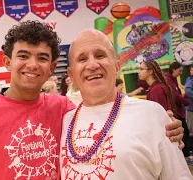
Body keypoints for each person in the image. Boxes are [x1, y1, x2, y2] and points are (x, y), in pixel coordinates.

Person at [0, 21, 184, 180]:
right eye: (23, 56)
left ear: (51, 68)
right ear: (7, 62)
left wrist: (168, 130)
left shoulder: (64, 109)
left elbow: (108, 118)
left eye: (41, 58)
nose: (32, 64)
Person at [60, 29, 192, 179]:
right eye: (82, 59)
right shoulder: (65, 120)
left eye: (100, 55)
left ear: (116, 68)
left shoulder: (151, 114)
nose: (92, 65)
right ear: (72, 75)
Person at [166, 61, 190, 157]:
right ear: (173, 69)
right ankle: (185, 155)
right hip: (175, 112)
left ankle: (186, 154)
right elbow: (176, 97)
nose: (181, 73)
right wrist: (185, 100)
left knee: (184, 132)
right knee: (184, 133)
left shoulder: (173, 79)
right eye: (179, 71)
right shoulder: (168, 80)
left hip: (179, 110)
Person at [185, 64, 193, 136]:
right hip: (191, 107)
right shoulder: (190, 80)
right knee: (191, 127)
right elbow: (188, 91)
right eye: (191, 70)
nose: (191, 71)